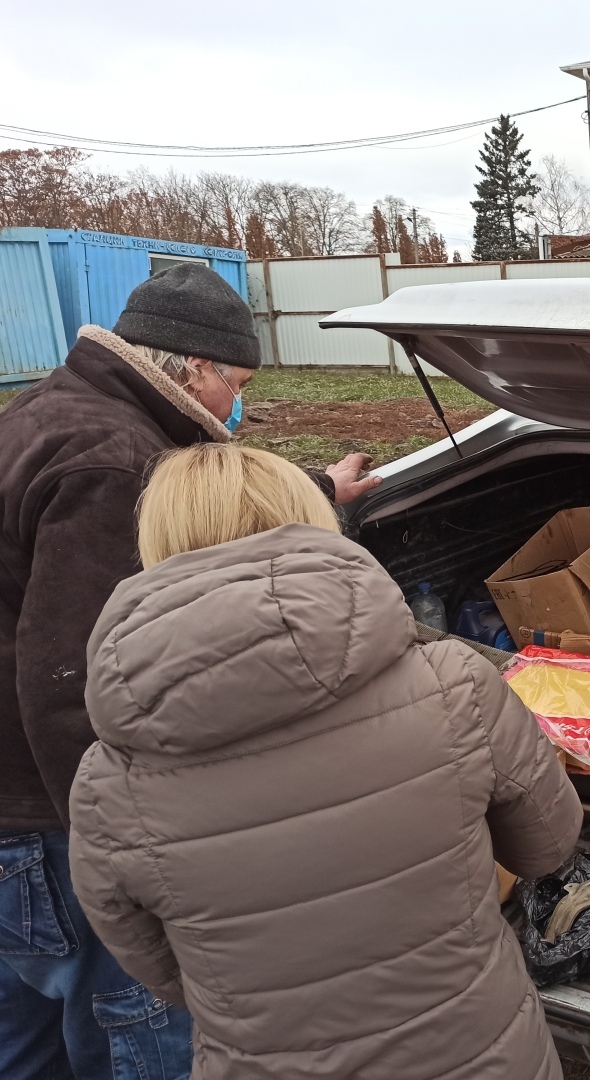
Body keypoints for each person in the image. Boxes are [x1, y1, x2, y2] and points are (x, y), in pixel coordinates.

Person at [68, 443, 582, 1079]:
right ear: (308, 515)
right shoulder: (454, 684)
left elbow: (163, 970)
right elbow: (548, 847)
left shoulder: (106, 784)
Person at [0, 264, 381, 1079]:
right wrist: (127, 854)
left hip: (14, 822)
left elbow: (201, 511)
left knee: (26, 1040)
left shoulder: (58, 409)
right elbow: (73, 683)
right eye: (236, 383)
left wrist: (318, 488)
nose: (235, 405)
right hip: (51, 826)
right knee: (138, 1032)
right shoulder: (113, 463)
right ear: (194, 366)